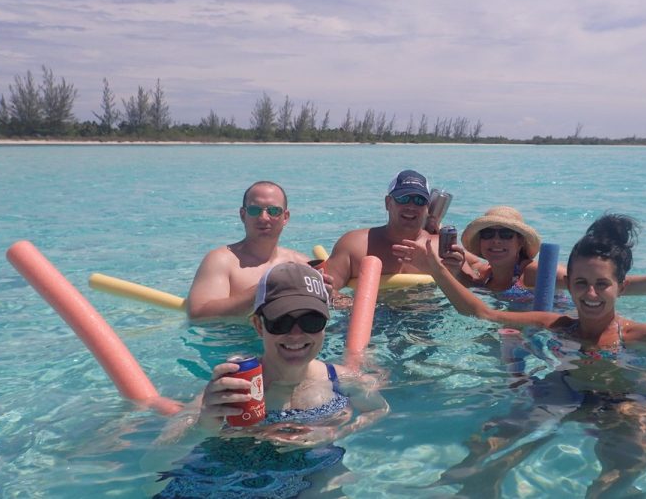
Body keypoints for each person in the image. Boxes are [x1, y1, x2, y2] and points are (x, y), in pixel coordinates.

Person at [402, 214, 646, 497]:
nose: (590, 294)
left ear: (621, 287)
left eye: (601, 284)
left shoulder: (639, 334)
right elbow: (482, 314)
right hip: (564, 395)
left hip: (629, 405)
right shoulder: (557, 324)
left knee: (617, 474)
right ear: (569, 285)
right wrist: (436, 268)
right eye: (580, 283)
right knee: (490, 444)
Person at [155, 262, 388, 498]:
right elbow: (154, 461)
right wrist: (203, 426)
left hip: (308, 477)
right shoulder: (234, 388)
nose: (296, 334)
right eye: (281, 322)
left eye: (311, 321)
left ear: (325, 325)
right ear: (259, 325)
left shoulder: (342, 381)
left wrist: (333, 433)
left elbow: (379, 411)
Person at [445, 206, 646, 303]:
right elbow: (464, 273)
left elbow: (602, 285)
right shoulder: (484, 274)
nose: (496, 241)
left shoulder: (534, 273)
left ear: (520, 243)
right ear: (479, 243)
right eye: (489, 234)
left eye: (506, 234)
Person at [186, 181, 312, 320]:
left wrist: (331, 296)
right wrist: (261, 291)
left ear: (285, 217)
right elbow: (198, 313)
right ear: (242, 215)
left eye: (274, 211)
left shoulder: (302, 264)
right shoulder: (221, 261)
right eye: (254, 210)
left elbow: (335, 303)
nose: (264, 218)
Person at [324, 169, 438, 297]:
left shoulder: (439, 247)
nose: (411, 206)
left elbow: (464, 284)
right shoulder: (354, 245)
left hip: (429, 312)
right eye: (403, 198)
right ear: (388, 203)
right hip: (370, 313)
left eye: (419, 200)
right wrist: (346, 302)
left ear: (427, 207)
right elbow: (323, 290)